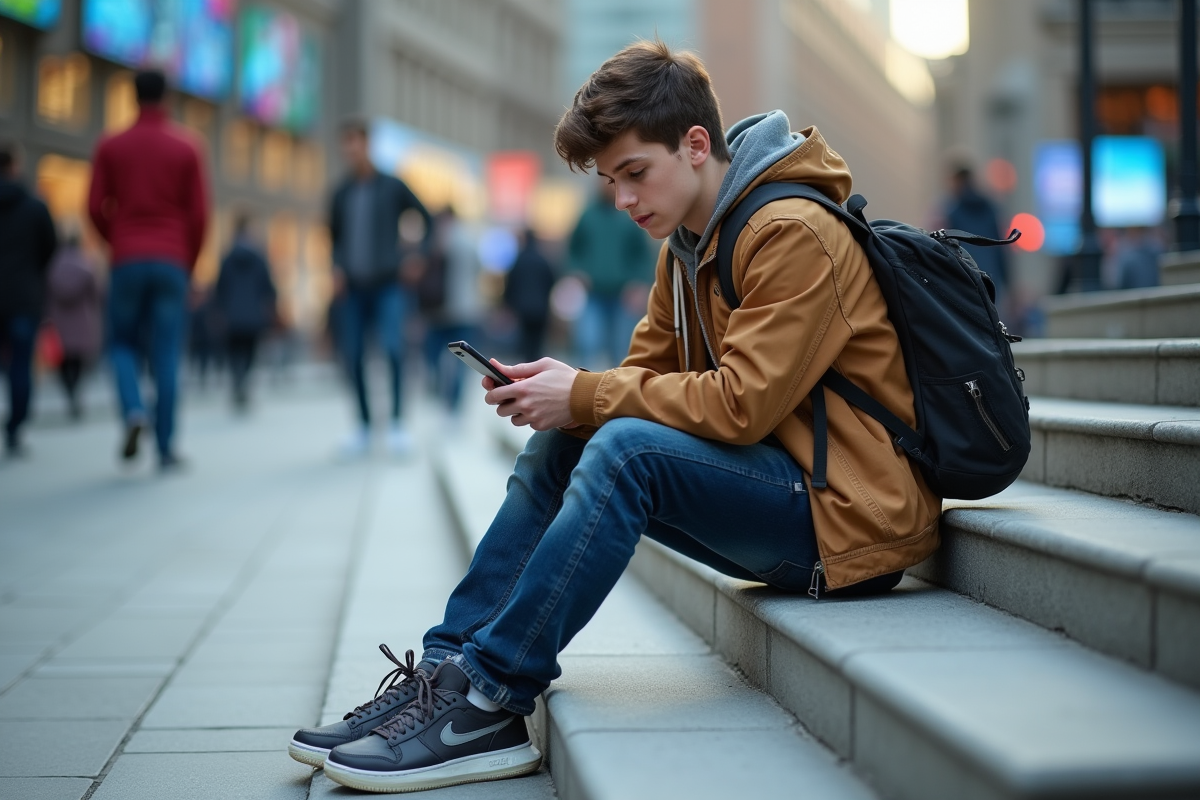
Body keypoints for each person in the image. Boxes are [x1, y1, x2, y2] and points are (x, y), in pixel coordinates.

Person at [288, 40, 941, 793]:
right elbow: (642, 378)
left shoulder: (792, 231)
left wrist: (588, 393)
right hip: (781, 485)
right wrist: (566, 396)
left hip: (848, 520)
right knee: (579, 436)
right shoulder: (688, 245)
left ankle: (493, 698)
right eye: (611, 181)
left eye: (636, 173)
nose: (625, 199)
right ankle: (444, 671)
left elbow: (739, 405)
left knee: (624, 446)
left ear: (696, 145)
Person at [88, 69, 210, 470]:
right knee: (167, 354)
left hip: (126, 257)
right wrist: (187, 262)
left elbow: (93, 207)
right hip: (172, 260)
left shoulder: (111, 144)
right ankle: (165, 447)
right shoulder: (187, 146)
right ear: (168, 97)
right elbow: (199, 215)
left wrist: (118, 240)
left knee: (121, 344)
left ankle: (133, 410)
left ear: (133, 97)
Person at [329, 119, 433, 456]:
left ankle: (398, 424)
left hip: (389, 285)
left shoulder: (392, 185)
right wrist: (336, 268)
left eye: (355, 143)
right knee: (354, 355)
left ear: (367, 143)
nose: (350, 151)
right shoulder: (341, 192)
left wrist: (416, 256)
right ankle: (362, 426)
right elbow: (333, 238)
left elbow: (426, 218)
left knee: (393, 349)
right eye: (345, 145)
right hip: (354, 289)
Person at [0, 143, 58, 456]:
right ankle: (15, 428)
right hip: (23, 297)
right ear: (15, 166)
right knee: (21, 365)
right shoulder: (34, 207)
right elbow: (51, 247)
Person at [568, 180, 657, 368]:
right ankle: (580, 386)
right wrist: (576, 273)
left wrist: (639, 283)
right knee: (587, 342)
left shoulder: (630, 218)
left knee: (622, 347)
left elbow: (642, 254)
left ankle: (617, 390)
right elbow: (572, 250)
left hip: (623, 294)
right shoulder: (588, 216)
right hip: (593, 292)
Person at [419, 207, 484, 414]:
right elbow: (479, 269)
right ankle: (453, 404)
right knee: (462, 361)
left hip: (438, 312)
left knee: (433, 358)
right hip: (465, 311)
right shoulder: (468, 240)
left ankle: (443, 396)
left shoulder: (434, 241)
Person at [214, 214, 277, 410]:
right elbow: (269, 287)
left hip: (232, 315)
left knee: (234, 353)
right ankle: (243, 382)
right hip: (254, 315)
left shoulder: (227, 258)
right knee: (249, 352)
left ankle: (238, 381)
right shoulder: (259, 258)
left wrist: (219, 310)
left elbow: (220, 288)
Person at [46, 227, 103, 420]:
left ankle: (69, 391)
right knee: (78, 361)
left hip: (59, 320)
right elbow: (97, 293)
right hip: (82, 320)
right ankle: (75, 391)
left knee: (63, 361)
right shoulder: (86, 265)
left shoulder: (51, 266)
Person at [943, 163, 1010, 313]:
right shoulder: (991, 207)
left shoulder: (952, 211)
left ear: (958, 181)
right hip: (991, 276)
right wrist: (1009, 283)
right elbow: (1000, 248)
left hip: (965, 273)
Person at [503, 227, 557, 364]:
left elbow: (510, 283)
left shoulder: (519, 260)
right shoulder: (543, 260)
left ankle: (526, 368)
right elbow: (551, 281)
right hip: (541, 308)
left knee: (525, 341)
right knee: (537, 342)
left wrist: (508, 303)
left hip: (523, 308)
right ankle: (536, 366)